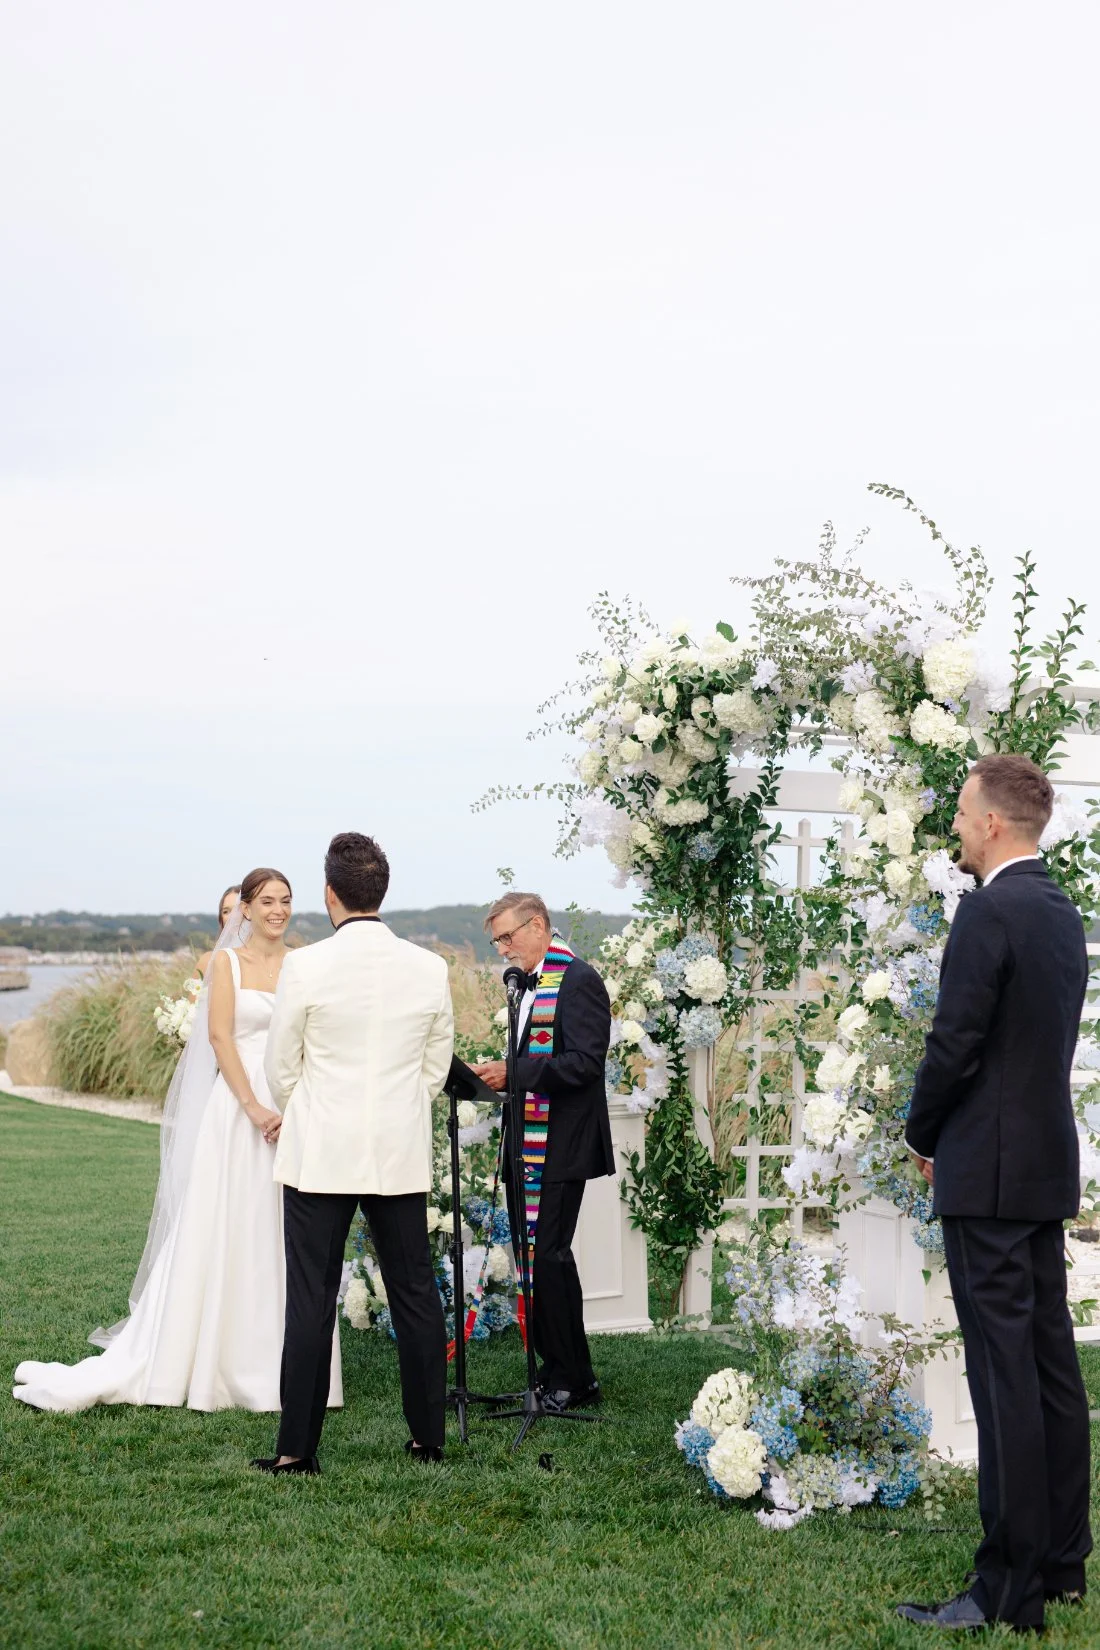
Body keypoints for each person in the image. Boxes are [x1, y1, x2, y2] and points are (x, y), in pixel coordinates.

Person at [12, 867, 342, 1415]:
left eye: (285, 901)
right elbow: (218, 1038)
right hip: (239, 1109)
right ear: (246, 909)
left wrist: (298, 1103)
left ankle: (283, 1364)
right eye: (266, 901)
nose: (278, 911)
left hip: (294, 1103)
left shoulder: (301, 963)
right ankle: (214, 1359)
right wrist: (255, 1108)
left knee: (284, 1228)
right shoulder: (226, 964)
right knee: (231, 1221)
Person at [896, 755, 1092, 1636]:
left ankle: (1006, 1586)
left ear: (995, 825)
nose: (956, 828)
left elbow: (955, 1044)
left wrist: (919, 1133)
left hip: (988, 1171)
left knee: (1005, 1375)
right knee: (1050, 1369)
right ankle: (1061, 1565)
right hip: (1045, 1165)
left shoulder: (987, 913)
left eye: (963, 814)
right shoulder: (1059, 910)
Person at [252, 832, 454, 1476]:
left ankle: (296, 1450)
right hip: (396, 1148)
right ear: (381, 892)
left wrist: (310, 1106)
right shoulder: (429, 967)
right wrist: (395, 1109)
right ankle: (428, 1439)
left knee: (311, 1298)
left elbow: (281, 1066)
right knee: (416, 1292)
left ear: (330, 895)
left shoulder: (305, 966)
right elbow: (435, 1067)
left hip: (319, 1150)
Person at [472, 893, 613, 1414]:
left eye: (508, 937)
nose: (504, 948)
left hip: (561, 1143)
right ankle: (563, 1371)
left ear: (538, 925)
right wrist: (500, 1072)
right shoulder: (526, 988)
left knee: (549, 1258)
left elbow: (584, 1064)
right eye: (497, 942)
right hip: (527, 1139)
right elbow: (538, 1058)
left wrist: (517, 1072)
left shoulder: (578, 979)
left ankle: (572, 1379)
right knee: (539, 1261)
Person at [194, 884, 243, 978]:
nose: (231, 917)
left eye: (237, 909)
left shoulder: (271, 962)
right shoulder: (208, 961)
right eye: (226, 911)